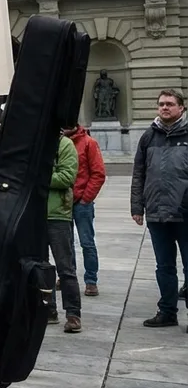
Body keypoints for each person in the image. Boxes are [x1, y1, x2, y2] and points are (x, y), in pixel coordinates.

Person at [132, 89, 188, 328]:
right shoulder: (148, 137)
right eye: (161, 104)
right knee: (164, 266)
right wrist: (137, 206)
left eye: (170, 104)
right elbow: (139, 174)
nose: (165, 107)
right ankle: (167, 311)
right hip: (156, 213)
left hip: (185, 213)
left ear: (181, 108)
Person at [61, 123, 106, 297]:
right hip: (63, 202)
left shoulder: (88, 142)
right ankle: (67, 276)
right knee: (66, 244)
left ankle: (91, 280)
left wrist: (86, 198)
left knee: (87, 243)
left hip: (81, 202)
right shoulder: (58, 142)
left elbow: (98, 173)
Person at [47, 133, 83, 333]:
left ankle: (73, 313)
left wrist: (39, 175)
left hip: (58, 214)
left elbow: (67, 177)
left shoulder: (65, 144)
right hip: (34, 214)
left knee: (65, 267)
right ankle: (48, 309)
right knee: (41, 267)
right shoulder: (34, 142)